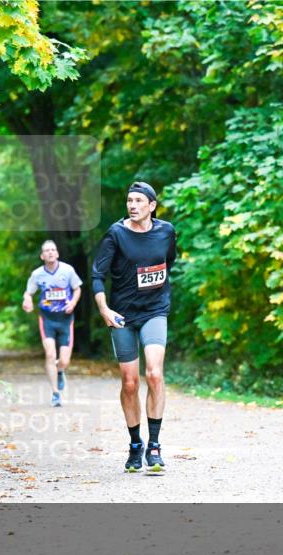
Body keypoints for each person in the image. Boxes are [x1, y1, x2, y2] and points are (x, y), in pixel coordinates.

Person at [91, 182, 177, 473]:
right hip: (122, 315)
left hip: (154, 311)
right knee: (130, 383)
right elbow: (97, 276)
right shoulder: (116, 234)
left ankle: (154, 446)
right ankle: (135, 444)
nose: (133, 205)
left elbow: (168, 263)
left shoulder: (166, 231)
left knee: (154, 374)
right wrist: (104, 309)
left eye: (139, 200)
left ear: (152, 206)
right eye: (129, 200)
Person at [22, 240, 83, 407]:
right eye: (47, 251)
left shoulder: (67, 270)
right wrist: (27, 300)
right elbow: (28, 293)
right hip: (47, 318)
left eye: (53, 250)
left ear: (57, 253)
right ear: (42, 256)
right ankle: (56, 393)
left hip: (65, 319)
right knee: (50, 354)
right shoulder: (37, 274)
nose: (50, 252)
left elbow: (77, 288)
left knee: (64, 360)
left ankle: (60, 370)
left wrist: (73, 303)